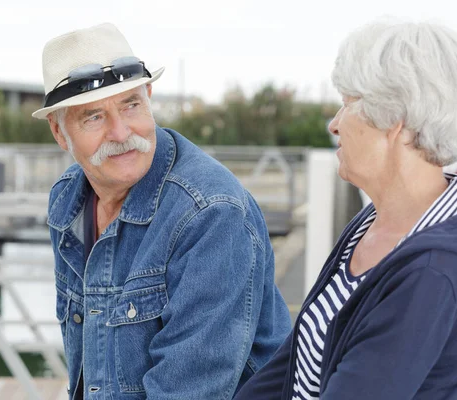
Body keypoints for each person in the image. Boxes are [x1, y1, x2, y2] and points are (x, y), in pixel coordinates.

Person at [235, 19, 457, 400]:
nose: (334, 124)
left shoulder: (434, 273)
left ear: (394, 119)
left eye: (347, 104)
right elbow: (292, 365)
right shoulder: (377, 221)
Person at [32, 22, 291, 399]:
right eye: (94, 117)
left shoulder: (211, 213)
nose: (121, 133)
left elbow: (188, 391)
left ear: (149, 96)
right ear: (59, 133)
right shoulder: (68, 200)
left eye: (131, 105)